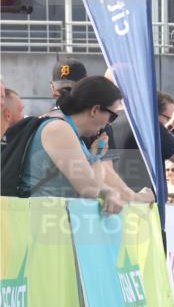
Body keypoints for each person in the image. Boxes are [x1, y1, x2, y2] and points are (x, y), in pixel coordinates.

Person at [16, 75, 124, 213]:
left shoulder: (67, 129)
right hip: (39, 221)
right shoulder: (59, 130)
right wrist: (96, 156)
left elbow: (90, 182)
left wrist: (110, 192)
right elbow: (89, 190)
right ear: (95, 110)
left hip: (48, 219)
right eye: (112, 116)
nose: (109, 123)